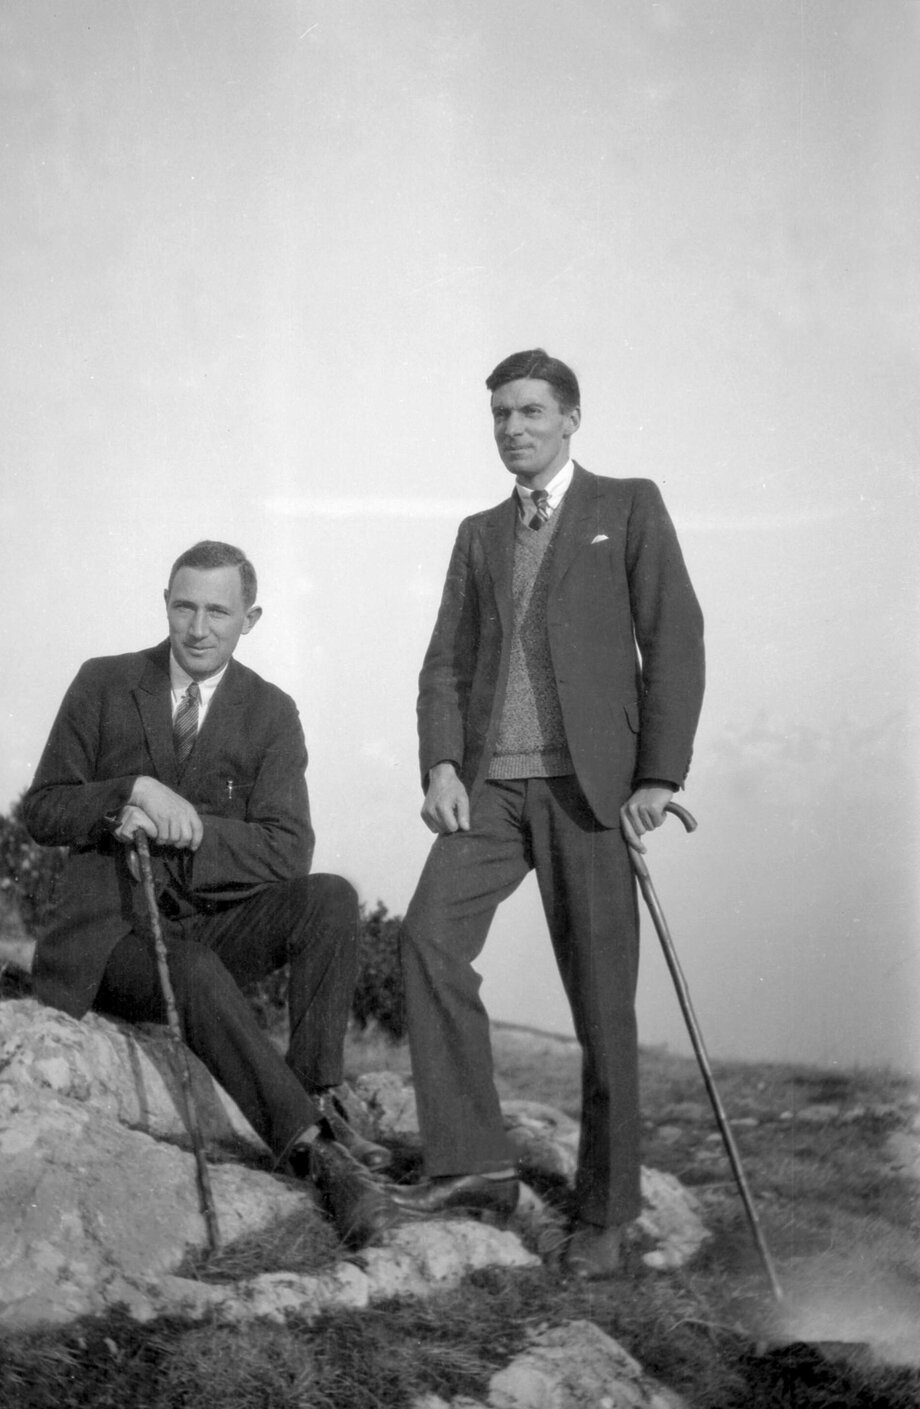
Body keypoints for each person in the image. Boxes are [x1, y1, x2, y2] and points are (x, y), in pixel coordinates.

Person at [390, 350, 705, 1276]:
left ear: (571, 419)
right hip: (490, 788)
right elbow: (443, 660)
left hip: (591, 790)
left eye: (530, 412)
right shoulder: (478, 531)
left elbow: (674, 636)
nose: (513, 429)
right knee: (426, 938)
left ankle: (605, 1212)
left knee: (602, 1003)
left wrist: (659, 775)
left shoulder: (628, 505)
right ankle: (474, 1163)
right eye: (499, 415)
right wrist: (443, 762)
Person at [23, 539, 396, 1249]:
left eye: (218, 611)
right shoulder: (102, 682)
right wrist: (127, 791)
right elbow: (43, 808)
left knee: (330, 899)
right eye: (184, 606)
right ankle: (318, 1158)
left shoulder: (271, 712)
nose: (198, 627)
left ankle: (313, 1092)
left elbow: (289, 848)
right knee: (195, 973)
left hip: (209, 928)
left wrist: (189, 831)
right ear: (165, 601)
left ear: (249, 618)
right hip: (111, 940)